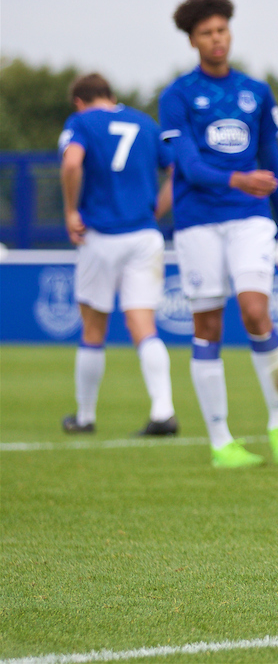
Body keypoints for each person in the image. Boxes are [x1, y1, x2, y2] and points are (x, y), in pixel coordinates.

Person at [159, 0, 278, 469]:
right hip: (197, 220)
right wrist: (237, 178)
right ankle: (221, 441)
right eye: (206, 33)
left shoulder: (256, 92)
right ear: (193, 40)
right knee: (208, 327)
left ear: (230, 32)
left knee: (256, 311)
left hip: (249, 219)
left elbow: (272, 162)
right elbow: (188, 166)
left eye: (221, 30)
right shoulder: (176, 96)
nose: (216, 39)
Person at [58, 73, 177, 436]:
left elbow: (72, 163)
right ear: (110, 95)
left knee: (94, 328)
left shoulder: (80, 122)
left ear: (79, 101)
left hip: (101, 237)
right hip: (144, 235)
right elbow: (177, 172)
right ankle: (163, 410)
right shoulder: (145, 122)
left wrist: (69, 210)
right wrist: (155, 210)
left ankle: (85, 416)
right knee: (143, 325)